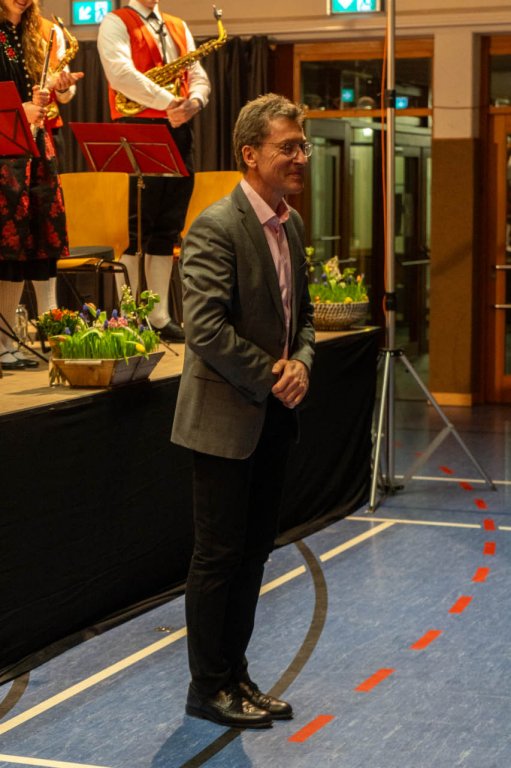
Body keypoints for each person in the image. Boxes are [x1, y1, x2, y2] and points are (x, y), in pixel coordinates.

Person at [171, 93, 316, 728]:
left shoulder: (292, 224)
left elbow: (301, 318)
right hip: (225, 420)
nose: (300, 157)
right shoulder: (215, 225)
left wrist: (302, 361)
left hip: (273, 416)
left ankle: (236, 675)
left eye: (302, 146)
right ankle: (208, 687)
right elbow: (203, 328)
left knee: (254, 552)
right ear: (250, 153)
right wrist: (275, 375)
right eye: (288, 147)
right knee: (219, 557)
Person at [97, 0, 211, 343]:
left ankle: (159, 316)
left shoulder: (177, 25)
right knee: (134, 228)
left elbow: (197, 74)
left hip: (178, 129)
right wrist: (169, 102)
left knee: (167, 226)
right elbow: (120, 74)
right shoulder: (115, 21)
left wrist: (196, 101)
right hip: (137, 128)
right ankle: (129, 316)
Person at [0, 0, 70, 370]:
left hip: (35, 144)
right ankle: (2, 343)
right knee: (7, 247)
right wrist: (19, 111)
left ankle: (9, 341)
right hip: (5, 148)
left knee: (32, 243)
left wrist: (44, 96)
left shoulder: (31, 32)